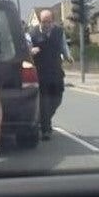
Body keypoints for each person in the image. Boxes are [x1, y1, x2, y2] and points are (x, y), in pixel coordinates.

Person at [29, 9, 72, 140]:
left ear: (52, 22)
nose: (46, 24)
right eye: (43, 21)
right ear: (40, 21)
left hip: (55, 72)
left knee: (57, 99)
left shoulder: (59, 32)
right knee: (44, 102)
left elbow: (63, 45)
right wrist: (31, 51)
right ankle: (46, 129)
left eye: (48, 22)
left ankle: (43, 119)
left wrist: (68, 56)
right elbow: (25, 48)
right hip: (40, 73)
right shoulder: (32, 33)